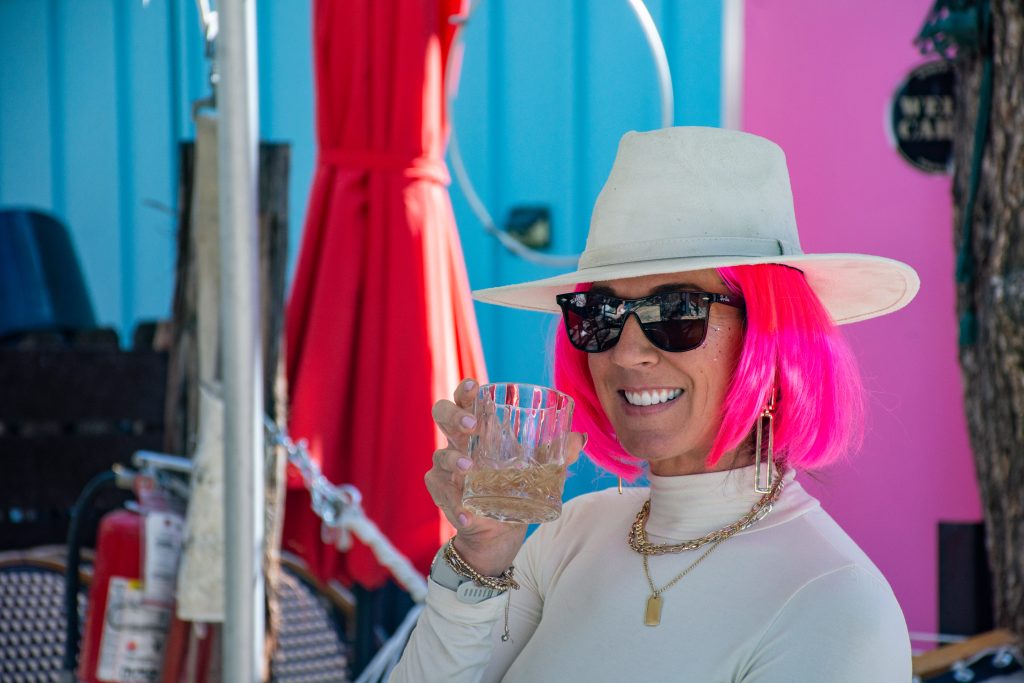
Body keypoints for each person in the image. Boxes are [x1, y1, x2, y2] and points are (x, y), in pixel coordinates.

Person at [390, 127, 918, 682]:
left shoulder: (835, 604)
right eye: (601, 315)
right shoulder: (570, 534)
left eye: (677, 311)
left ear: (769, 333)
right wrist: (479, 558)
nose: (627, 352)